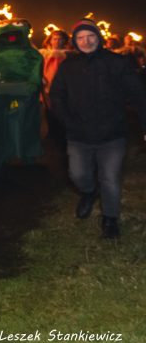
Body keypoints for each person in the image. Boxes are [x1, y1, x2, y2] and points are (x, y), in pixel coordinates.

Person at [50, 19, 146, 238]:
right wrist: (66, 120)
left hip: (112, 133)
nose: (86, 41)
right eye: (80, 37)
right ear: (75, 41)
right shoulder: (68, 66)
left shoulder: (117, 62)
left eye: (90, 36)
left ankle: (110, 219)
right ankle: (88, 191)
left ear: (98, 37)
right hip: (79, 134)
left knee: (110, 178)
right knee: (78, 174)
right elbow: (57, 95)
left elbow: (138, 94)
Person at [40, 29, 71, 142]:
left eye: (60, 39)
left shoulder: (68, 54)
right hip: (46, 85)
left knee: (61, 111)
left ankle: (61, 135)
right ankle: (51, 135)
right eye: (55, 39)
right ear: (50, 40)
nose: (57, 41)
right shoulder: (43, 53)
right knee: (47, 111)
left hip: (63, 87)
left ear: (64, 41)